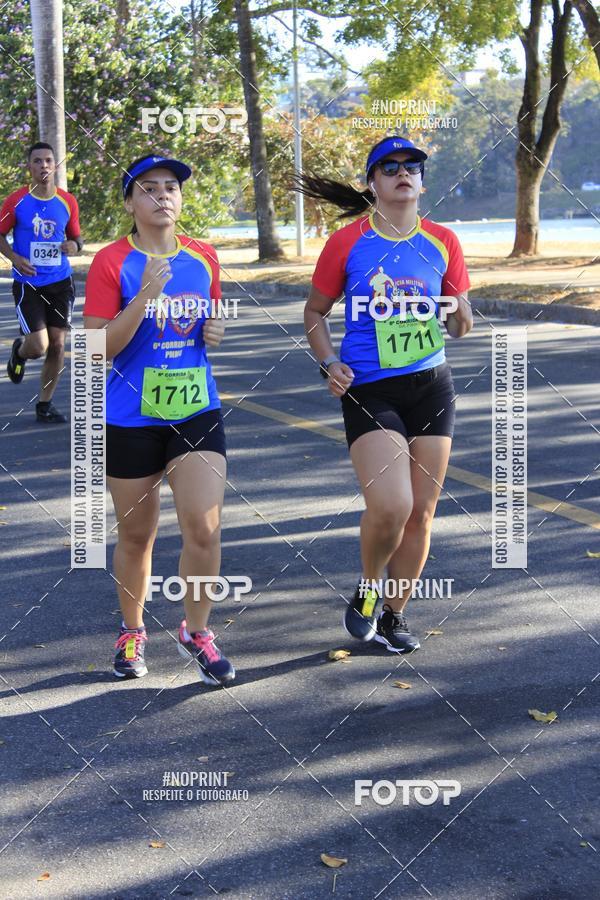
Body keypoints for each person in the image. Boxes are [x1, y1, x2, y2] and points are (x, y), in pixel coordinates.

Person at [299, 135, 473, 653]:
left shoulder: (443, 240)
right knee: (392, 504)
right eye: (390, 166)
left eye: (412, 165)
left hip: (432, 385)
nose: (403, 173)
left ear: (421, 180)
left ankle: (395, 616)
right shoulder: (347, 242)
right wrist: (329, 362)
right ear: (372, 182)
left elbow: (459, 321)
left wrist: (460, 314)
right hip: (370, 388)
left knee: (421, 511)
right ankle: (369, 585)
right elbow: (314, 313)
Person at [83, 153, 234, 685]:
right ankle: (131, 630)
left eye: (171, 186)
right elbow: (98, 347)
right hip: (130, 417)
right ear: (130, 202)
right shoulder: (111, 262)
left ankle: (197, 632)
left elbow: (209, 318)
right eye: (148, 188)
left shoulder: (204, 257)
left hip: (195, 408)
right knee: (137, 536)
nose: (163, 195)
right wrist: (145, 296)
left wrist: (213, 330)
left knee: (204, 525)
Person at [1, 142, 83, 423]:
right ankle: (19, 351)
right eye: (38, 161)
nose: (44, 166)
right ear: (29, 166)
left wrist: (73, 246)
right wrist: (13, 257)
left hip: (61, 282)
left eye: (49, 160)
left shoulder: (67, 201)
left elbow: (76, 238)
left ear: (56, 165)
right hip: (29, 283)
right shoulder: (16, 201)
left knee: (58, 345)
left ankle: (44, 405)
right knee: (39, 346)